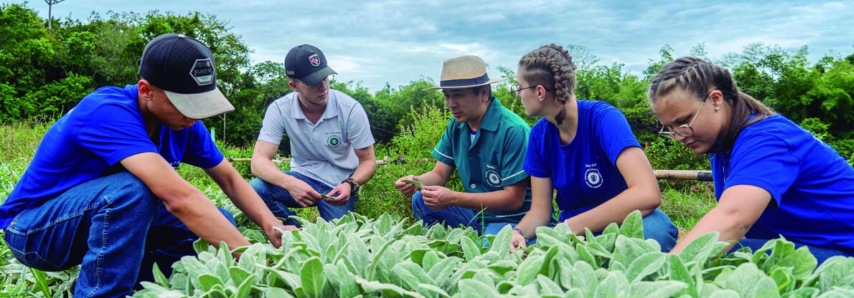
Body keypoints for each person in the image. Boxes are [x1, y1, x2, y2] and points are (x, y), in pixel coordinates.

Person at [0, 34, 293, 297]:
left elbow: (229, 179)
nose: (195, 116)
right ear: (146, 90)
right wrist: (251, 256)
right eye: (186, 104)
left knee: (218, 226)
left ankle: (119, 285)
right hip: (35, 230)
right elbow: (179, 198)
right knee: (132, 190)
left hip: (94, 222)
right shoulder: (106, 111)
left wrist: (272, 225)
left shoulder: (183, 124)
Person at [649, 56, 854, 263]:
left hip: (848, 252)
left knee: (725, 261)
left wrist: (663, 277)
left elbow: (734, 218)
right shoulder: (722, 145)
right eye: (669, 127)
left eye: (684, 121)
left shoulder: (767, 140)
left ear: (716, 99)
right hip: (811, 247)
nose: (677, 135)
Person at [509, 44, 678, 252]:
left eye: (519, 87)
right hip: (573, 231)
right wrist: (517, 233)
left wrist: (571, 227)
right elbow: (540, 212)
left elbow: (647, 193)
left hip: (620, 221)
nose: (517, 94)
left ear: (540, 92)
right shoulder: (538, 136)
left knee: (655, 231)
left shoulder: (605, 119)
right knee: (528, 249)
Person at [394, 55, 533, 237]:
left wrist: (453, 198)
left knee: (487, 255)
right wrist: (416, 181)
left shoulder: (512, 130)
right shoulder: (457, 125)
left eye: (458, 95)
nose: (451, 104)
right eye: (447, 96)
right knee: (421, 198)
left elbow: (514, 199)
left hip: (512, 219)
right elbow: (439, 174)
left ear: (483, 93)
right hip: (477, 214)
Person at [250, 44, 376, 226]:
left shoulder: (350, 109)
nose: (323, 86)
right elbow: (258, 161)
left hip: (339, 184)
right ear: (294, 86)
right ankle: (296, 231)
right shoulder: (280, 109)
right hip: (302, 175)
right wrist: (289, 182)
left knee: (339, 236)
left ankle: (318, 231)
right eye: (313, 82)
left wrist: (350, 184)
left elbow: (368, 161)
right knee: (256, 190)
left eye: (325, 77)